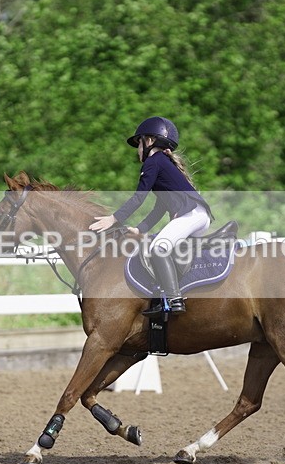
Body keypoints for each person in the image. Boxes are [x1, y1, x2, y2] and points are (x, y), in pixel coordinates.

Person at [89, 116, 213, 315]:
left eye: (139, 144)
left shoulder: (153, 162)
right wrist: (140, 229)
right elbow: (159, 208)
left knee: (158, 248)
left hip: (192, 215)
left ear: (149, 141)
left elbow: (138, 198)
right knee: (166, 250)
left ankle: (174, 300)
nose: (138, 150)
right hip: (198, 215)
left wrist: (113, 219)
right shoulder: (163, 163)